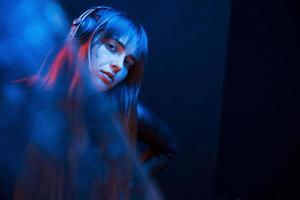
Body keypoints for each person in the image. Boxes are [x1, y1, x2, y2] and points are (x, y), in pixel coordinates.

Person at [0, 6, 177, 199]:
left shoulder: (125, 112)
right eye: (112, 47)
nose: (119, 65)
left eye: (128, 62)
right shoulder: (23, 96)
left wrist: (126, 184)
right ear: (82, 36)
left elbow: (167, 148)